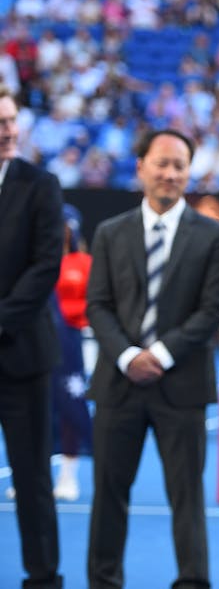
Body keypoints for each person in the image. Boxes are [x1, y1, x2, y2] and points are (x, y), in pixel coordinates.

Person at [85, 128, 219, 589]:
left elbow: (211, 310)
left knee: (187, 498)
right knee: (108, 498)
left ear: (190, 173)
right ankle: (103, 582)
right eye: (162, 163)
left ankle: (193, 581)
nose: (170, 173)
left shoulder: (212, 237)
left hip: (182, 386)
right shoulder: (109, 233)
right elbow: (97, 305)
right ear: (141, 167)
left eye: (179, 166)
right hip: (117, 384)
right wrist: (129, 355)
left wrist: (161, 354)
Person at [0, 84, 65, 588]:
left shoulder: (41, 184)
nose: (6, 130)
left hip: (22, 354)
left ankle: (43, 578)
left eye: (10, 121)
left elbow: (46, 266)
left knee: (32, 477)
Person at [51, 203, 94, 502]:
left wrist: (62, 315)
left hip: (71, 343)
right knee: (38, 409)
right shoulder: (36, 260)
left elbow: (93, 302)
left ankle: (68, 474)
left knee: (70, 406)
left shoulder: (85, 262)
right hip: (36, 344)